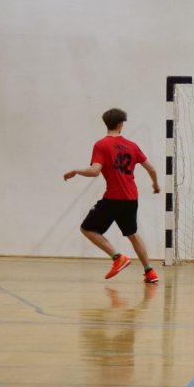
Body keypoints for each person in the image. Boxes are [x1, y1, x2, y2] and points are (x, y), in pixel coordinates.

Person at [64, 108, 161, 283]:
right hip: (131, 198)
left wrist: (77, 171)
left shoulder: (101, 145)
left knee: (87, 228)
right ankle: (150, 271)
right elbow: (152, 169)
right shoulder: (132, 145)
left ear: (106, 124)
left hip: (114, 198)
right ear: (120, 124)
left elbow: (95, 171)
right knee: (132, 233)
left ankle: (118, 257)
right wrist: (155, 184)